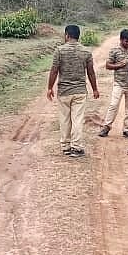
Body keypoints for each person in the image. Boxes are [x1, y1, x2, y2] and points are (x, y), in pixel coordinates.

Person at [46, 24, 100, 158]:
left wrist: (50, 88)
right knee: (77, 119)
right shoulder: (86, 52)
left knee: (64, 119)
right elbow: (91, 72)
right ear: (78, 36)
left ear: (67, 35)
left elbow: (54, 70)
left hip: (64, 91)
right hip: (80, 91)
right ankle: (76, 147)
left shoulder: (59, 51)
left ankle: (65, 146)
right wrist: (95, 89)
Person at [98, 29, 128, 139]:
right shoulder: (115, 51)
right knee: (113, 105)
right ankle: (106, 127)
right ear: (121, 40)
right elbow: (108, 65)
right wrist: (120, 65)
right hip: (119, 83)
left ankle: (127, 129)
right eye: (126, 41)